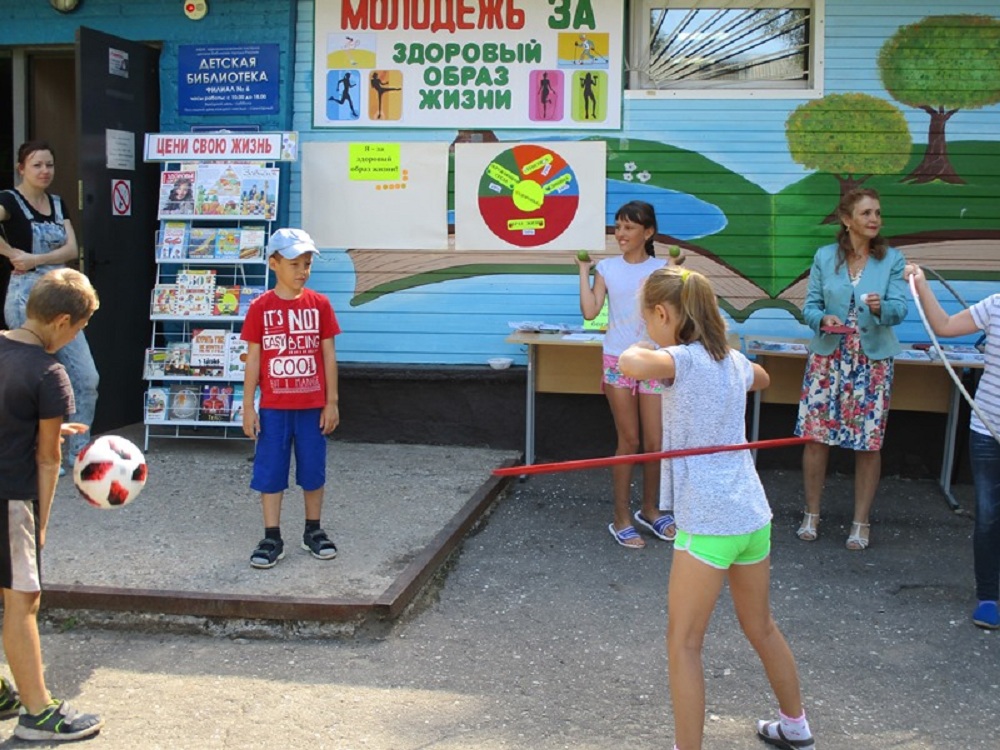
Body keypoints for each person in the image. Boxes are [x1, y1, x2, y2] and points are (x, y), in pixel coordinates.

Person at [619, 266, 814, 750]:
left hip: (708, 521)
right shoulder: (729, 360)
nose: (646, 329)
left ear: (664, 313)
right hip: (750, 515)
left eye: (648, 319)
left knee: (684, 643)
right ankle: (796, 726)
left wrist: (645, 347)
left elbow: (629, 364)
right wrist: (729, 360)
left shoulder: (680, 360)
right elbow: (763, 375)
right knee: (761, 626)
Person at [0, 268, 104, 741]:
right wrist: (41, 521)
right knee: (24, 600)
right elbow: (47, 459)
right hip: (11, 498)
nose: (77, 337)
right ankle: (38, 715)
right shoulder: (50, 373)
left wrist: (43, 426)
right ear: (62, 321)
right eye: (80, 328)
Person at [794, 187, 907, 550]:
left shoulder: (892, 259)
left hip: (871, 362)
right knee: (816, 439)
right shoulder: (825, 257)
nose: (874, 219)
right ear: (847, 220)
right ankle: (811, 514)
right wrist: (820, 318)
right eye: (866, 213)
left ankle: (861, 522)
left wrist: (881, 308)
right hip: (829, 358)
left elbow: (900, 309)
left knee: (868, 444)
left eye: (877, 213)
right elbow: (808, 306)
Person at [577, 200, 677, 550]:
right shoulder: (607, 268)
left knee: (655, 442)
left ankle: (649, 510)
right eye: (618, 226)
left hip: (653, 360)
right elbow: (590, 312)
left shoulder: (663, 268)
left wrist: (677, 275)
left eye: (629, 227)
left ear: (648, 232)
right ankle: (620, 516)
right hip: (617, 361)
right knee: (629, 441)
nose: (621, 233)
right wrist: (584, 271)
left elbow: (674, 317)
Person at [905, 264, 1000, 629]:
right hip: (988, 428)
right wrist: (922, 285)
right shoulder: (994, 304)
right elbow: (944, 327)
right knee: (990, 516)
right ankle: (988, 597)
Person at [241, 228, 341, 569]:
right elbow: (253, 359)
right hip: (273, 408)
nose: (302, 271)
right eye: (295, 263)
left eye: (308, 264)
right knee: (270, 471)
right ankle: (271, 535)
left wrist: (332, 401)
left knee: (313, 469)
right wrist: (247, 407)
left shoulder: (320, 305)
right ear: (273, 263)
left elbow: (328, 355)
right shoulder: (260, 308)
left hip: (312, 407)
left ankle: (313, 530)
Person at [0, 140, 99, 468]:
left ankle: (77, 454)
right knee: (33, 377)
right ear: (21, 169)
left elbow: (72, 249)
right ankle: (31, 454)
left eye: (49, 165)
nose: (44, 171)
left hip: (63, 296)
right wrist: (13, 254)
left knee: (85, 377)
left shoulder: (57, 204)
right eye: (37, 165)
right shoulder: (9, 200)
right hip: (26, 300)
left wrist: (36, 258)